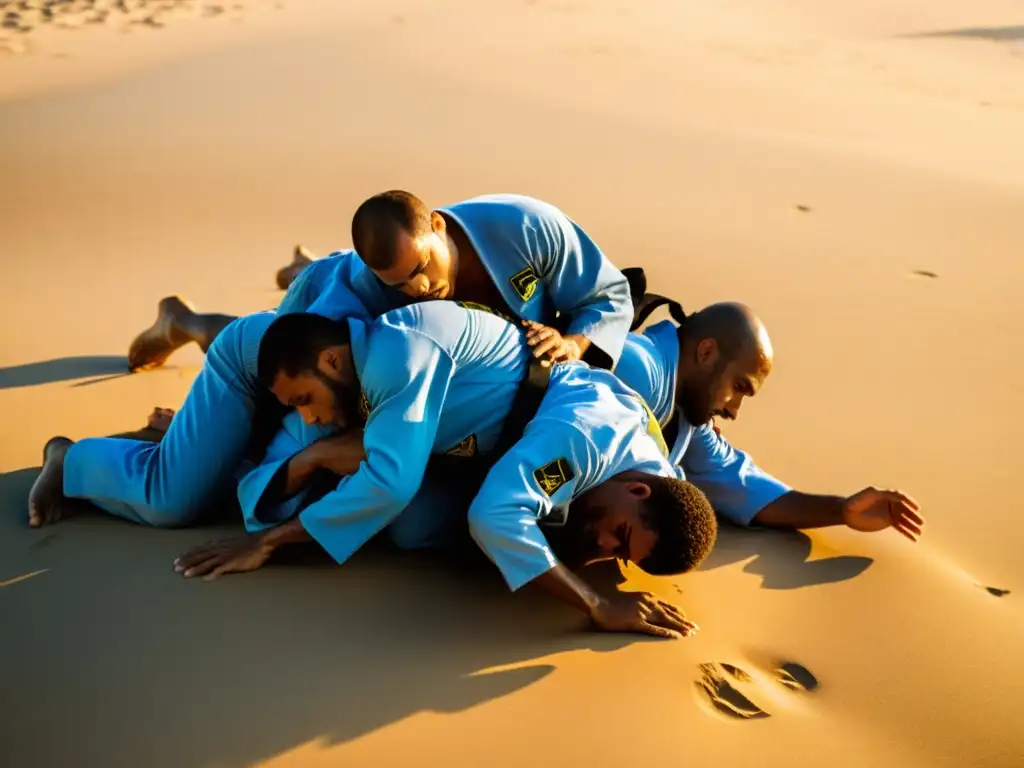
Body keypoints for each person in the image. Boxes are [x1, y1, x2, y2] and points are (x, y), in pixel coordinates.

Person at [174, 351, 719, 640]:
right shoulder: (581, 444)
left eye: (622, 553)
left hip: (479, 445)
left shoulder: (660, 475)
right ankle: (202, 429)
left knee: (416, 529)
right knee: (225, 473)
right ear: (637, 487)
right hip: (407, 404)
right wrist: (596, 604)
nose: (605, 545)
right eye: (619, 534)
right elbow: (495, 513)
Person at [27, 301, 532, 531]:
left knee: (286, 470)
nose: (310, 419)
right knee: (173, 501)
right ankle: (71, 459)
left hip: (306, 360)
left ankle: (188, 420)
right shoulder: (357, 370)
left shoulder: (384, 364)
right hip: (257, 359)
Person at [127, 191, 634, 373]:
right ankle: (186, 321)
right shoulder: (368, 286)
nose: (416, 290)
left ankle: (300, 266)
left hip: (350, 265)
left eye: (421, 271)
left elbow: (608, 294)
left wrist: (573, 340)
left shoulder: (525, 226)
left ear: (438, 225)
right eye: (400, 284)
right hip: (335, 283)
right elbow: (299, 371)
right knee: (259, 344)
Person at [615, 300, 924, 540]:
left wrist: (842, 510)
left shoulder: (687, 413)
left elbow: (745, 487)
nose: (733, 410)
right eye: (738, 387)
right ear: (707, 352)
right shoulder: (636, 368)